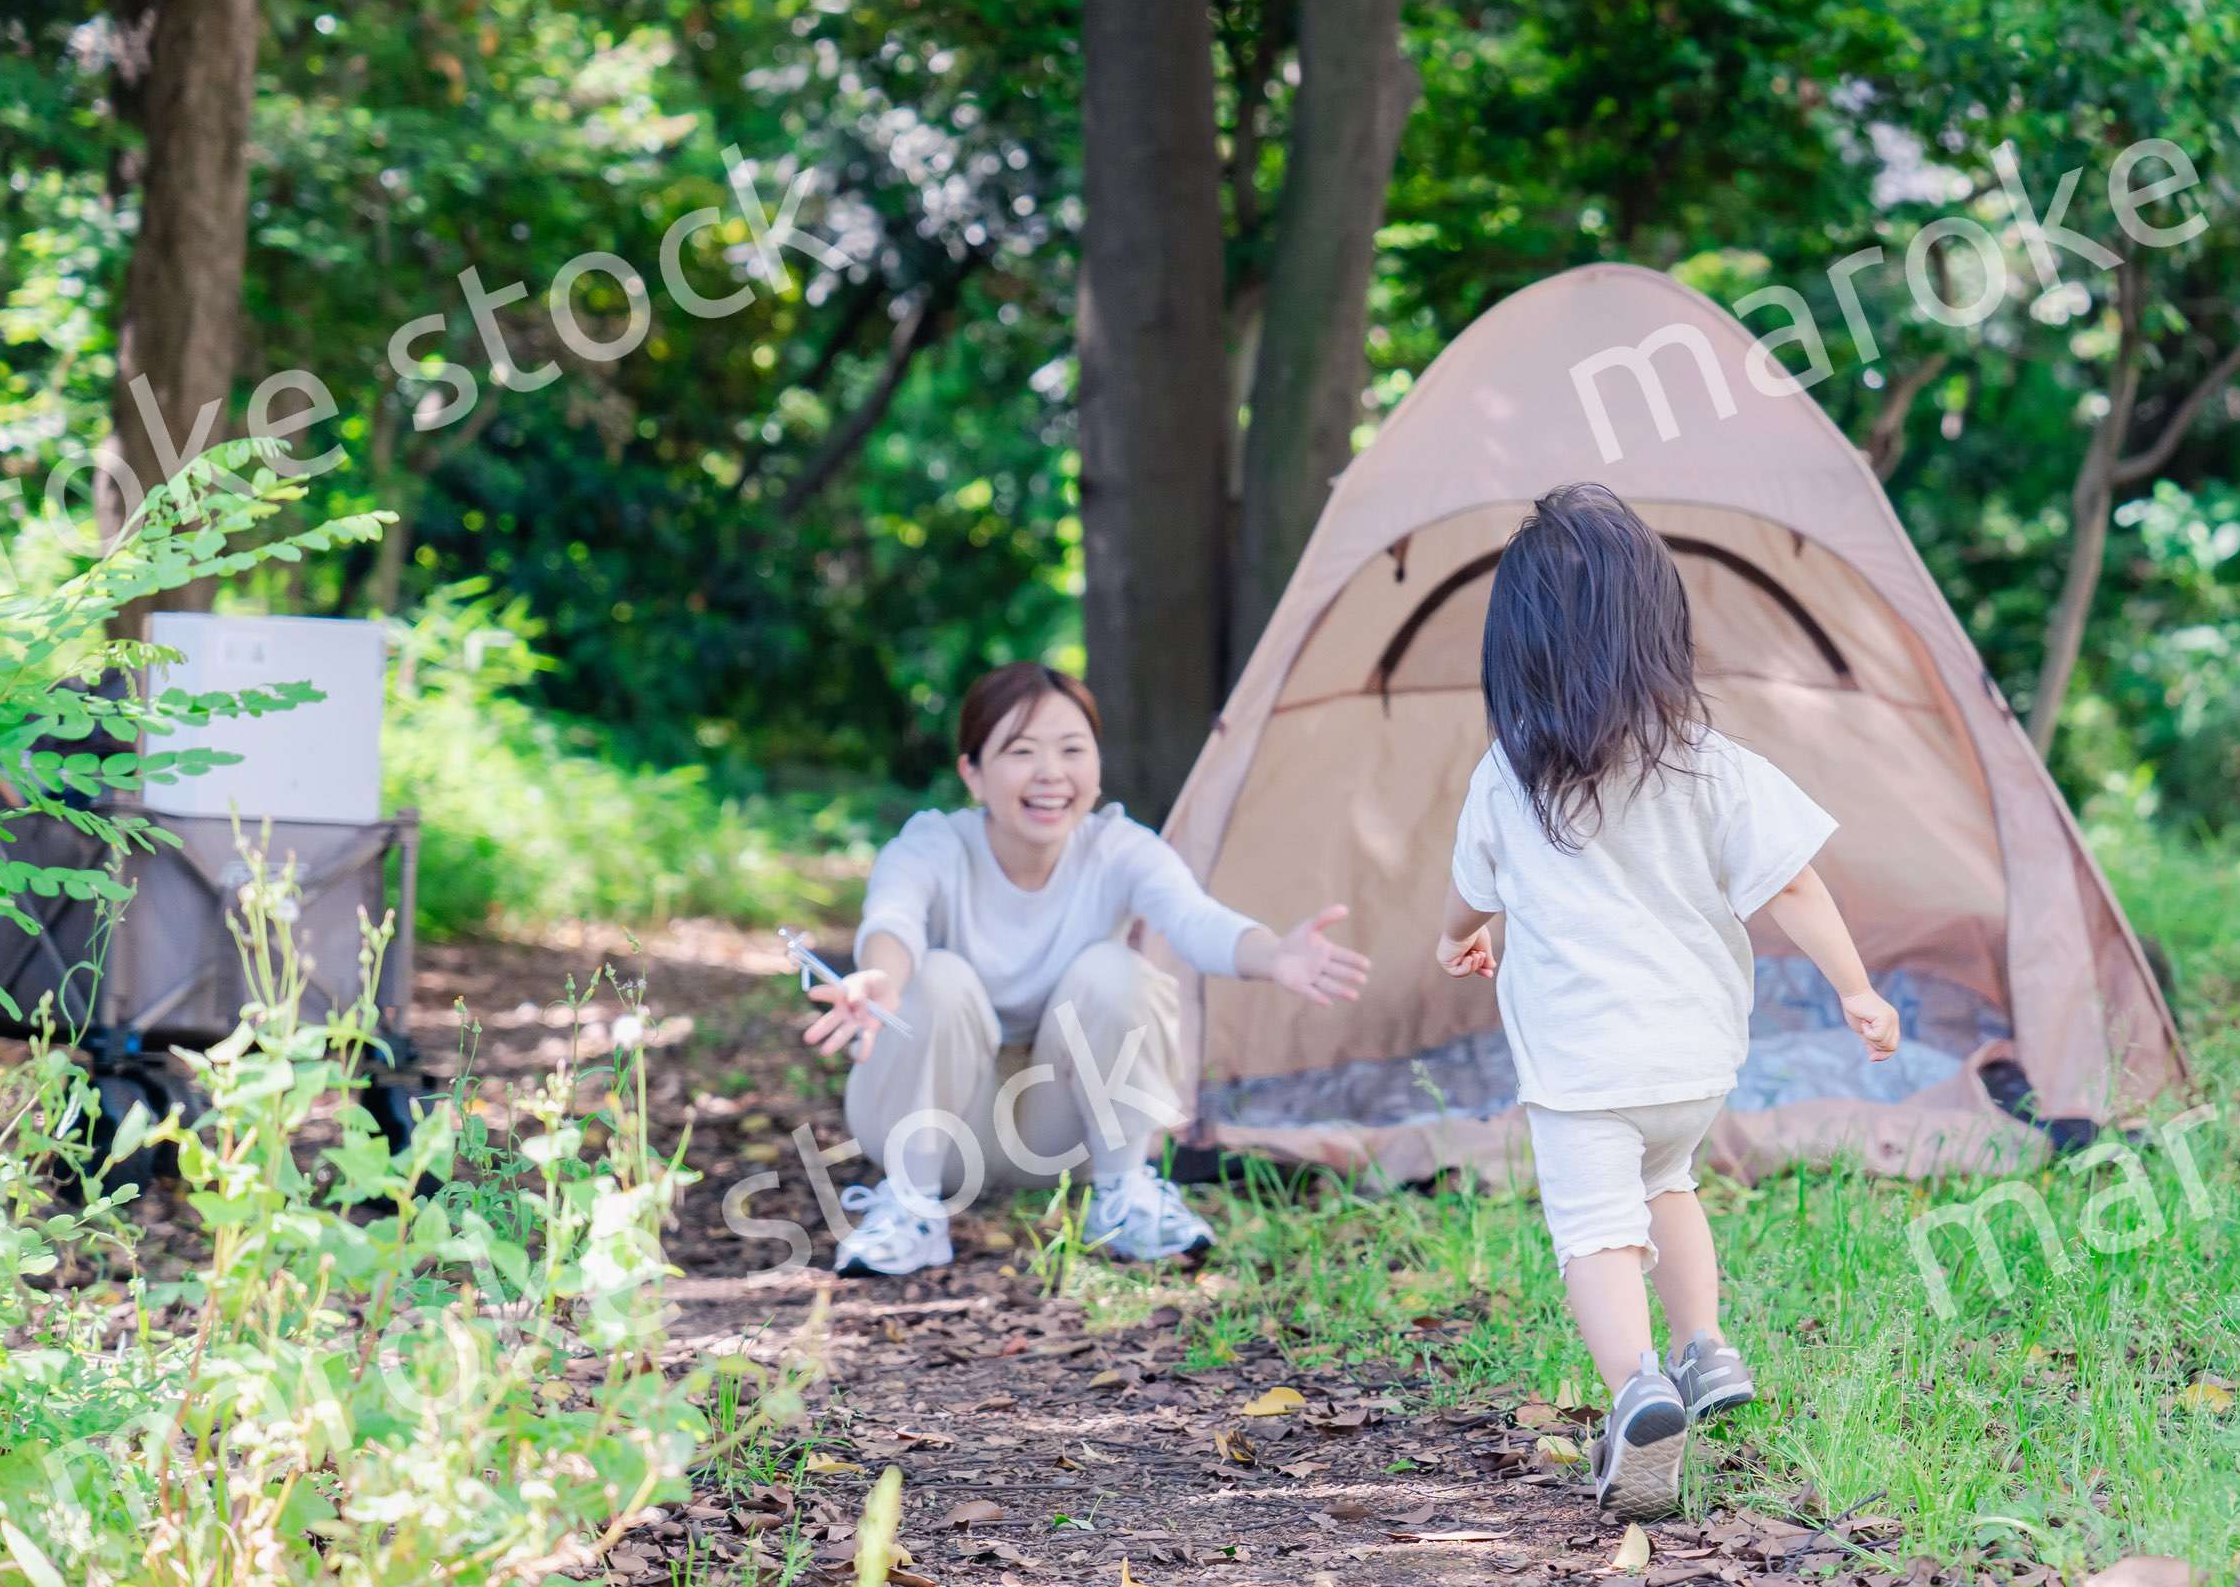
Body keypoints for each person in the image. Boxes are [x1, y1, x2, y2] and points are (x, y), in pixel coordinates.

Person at [1434, 484, 1898, 1520]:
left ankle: (1636, 1390)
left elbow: (1475, 894)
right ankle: (1705, 1349)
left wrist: (1454, 935)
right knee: (1671, 1184)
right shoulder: (1713, 766)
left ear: (1514, 654)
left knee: (1597, 1231)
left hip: (1582, 1075)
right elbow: (1792, 884)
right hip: (1692, 1064)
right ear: (1658, 632)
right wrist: (1856, 989)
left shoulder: (1507, 781)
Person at [804, 661, 1367, 1277]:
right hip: (937, 1131)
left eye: (1072, 749)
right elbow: (893, 918)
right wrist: (882, 976)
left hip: (1060, 1134)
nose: (1051, 773)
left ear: (1096, 768)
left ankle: (1124, 1196)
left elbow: (1193, 919)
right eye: (1021, 751)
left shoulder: (1119, 849)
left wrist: (1274, 955)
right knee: (934, 977)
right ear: (972, 772)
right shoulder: (933, 846)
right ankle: (911, 1211)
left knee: (1116, 970)